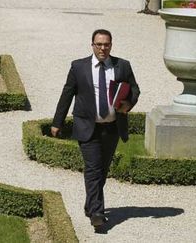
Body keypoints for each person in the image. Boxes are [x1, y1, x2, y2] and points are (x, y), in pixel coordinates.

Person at [51, 29, 140, 228]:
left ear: (111, 45)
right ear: (92, 45)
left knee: (102, 170)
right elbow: (67, 94)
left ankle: (90, 204)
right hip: (87, 127)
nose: (102, 48)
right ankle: (97, 213)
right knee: (93, 169)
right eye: (99, 44)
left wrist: (129, 103)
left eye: (106, 44)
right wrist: (57, 122)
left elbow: (134, 89)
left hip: (112, 128)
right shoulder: (78, 67)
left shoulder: (122, 66)